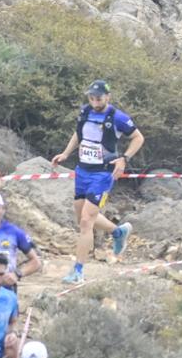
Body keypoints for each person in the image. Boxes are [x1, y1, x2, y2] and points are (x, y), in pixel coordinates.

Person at [50, 80, 142, 284]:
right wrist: (65, 153)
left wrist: (124, 159)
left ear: (107, 97)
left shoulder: (117, 117)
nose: (94, 101)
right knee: (81, 218)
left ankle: (78, 271)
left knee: (86, 222)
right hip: (82, 171)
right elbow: (79, 134)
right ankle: (118, 232)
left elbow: (138, 138)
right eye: (91, 97)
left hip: (102, 174)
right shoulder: (84, 112)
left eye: (98, 97)